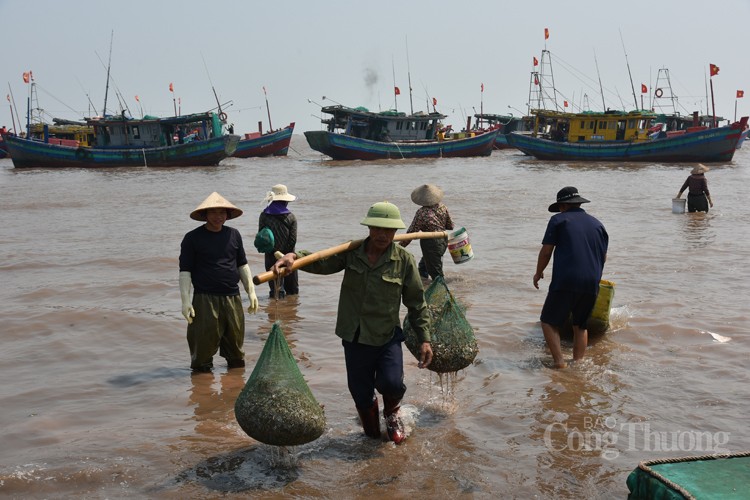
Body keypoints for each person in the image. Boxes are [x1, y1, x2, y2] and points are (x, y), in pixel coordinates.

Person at [272, 201, 433, 444]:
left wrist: (425, 339)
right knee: (360, 393)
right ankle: (370, 433)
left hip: (386, 336)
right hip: (354, 336)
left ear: (396, 232)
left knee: (391, 383)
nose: (382, 235)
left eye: (388, 230)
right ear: (369, 228)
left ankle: (391, 413)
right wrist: (294, 257)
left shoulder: (403, 260)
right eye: (377, 228)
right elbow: (321, 262)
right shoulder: (351, 252)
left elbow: (416, 302)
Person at [179, 192, 259, 373]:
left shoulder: (234, 235)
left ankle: (235, 386)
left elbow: (242, 265)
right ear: (205, 215)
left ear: (228, 214)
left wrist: (251, 292)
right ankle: (202, 393)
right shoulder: (192, 238)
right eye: (213, 212)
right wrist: (185, 301)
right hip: (205, 299)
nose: (218, 216)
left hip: (232, 298)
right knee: (202, 352)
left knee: (236, 351)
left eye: (222, 212)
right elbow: (185, 272)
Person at [533, 187, 608, 369]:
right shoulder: (598, 225)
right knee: (580, 325)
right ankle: (578, 364)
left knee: (548, 321)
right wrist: (594, 277)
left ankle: (559, 363)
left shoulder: (558, 220)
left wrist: (538, 272)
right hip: (592, 281)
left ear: (563, 205)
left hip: (566, 279)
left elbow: (546, 251)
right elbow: (602, 257)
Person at [400, 184, 454, 280]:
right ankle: (424, 285)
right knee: (424, 266)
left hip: (431, 242)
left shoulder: (421, 213)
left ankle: (441, 291)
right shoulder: (443, 207)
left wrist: (400, 247)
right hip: (443, 239)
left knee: (435, 272)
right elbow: (450, 226)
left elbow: (412, 232)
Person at [259, 184, 298, 298]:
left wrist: (274, 251)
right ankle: (291, 313)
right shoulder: (291, 217)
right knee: (292, 290)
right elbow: (292, 241)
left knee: (276, 290)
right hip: (289, 257)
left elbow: (261, 237)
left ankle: (275, 314)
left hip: (271, 256)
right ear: (286, 202)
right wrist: (286, 255)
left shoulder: (264, 216)